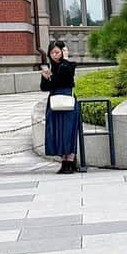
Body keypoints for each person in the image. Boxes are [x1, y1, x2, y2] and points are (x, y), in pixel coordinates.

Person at [40, 40, 79, 174]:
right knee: (58, 131)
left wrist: (66, 59)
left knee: (69, 131)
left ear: (63, 51)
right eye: (52, 53)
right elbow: (44, 88)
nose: (54, 55)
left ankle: (70, 160)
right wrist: (45, 78)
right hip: (54, 101)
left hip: (67, 100)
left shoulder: (69, 65)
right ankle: (64, 161)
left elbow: (66, 79)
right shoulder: (50, 69)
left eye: (57, 52)